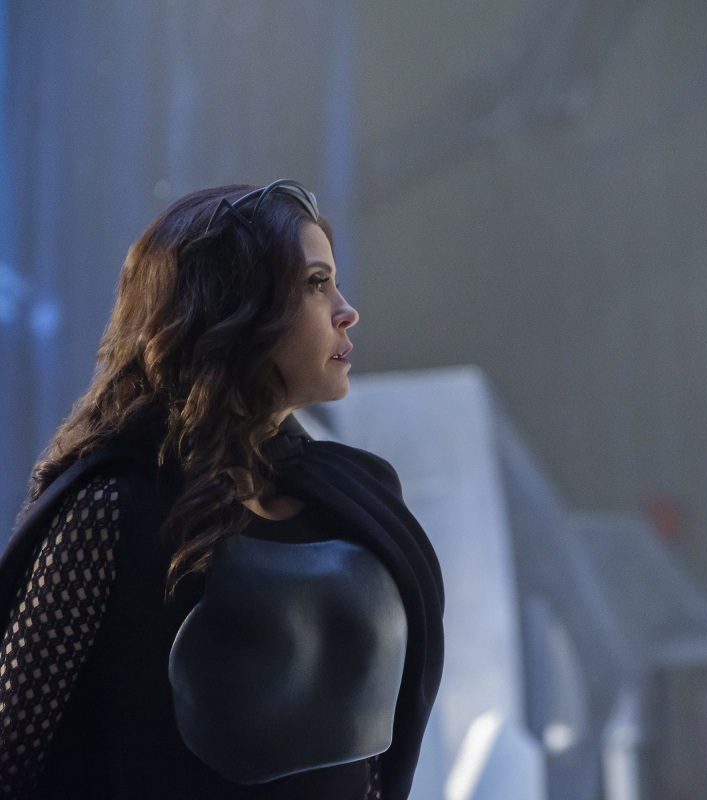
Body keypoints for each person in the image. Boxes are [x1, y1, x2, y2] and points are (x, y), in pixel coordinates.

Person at [0, 181, 444, 799]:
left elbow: (372, 762)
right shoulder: (114, 506)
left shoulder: (359, 498)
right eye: (316, 284)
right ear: (238, 308)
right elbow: (12, 750)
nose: (347, 311)